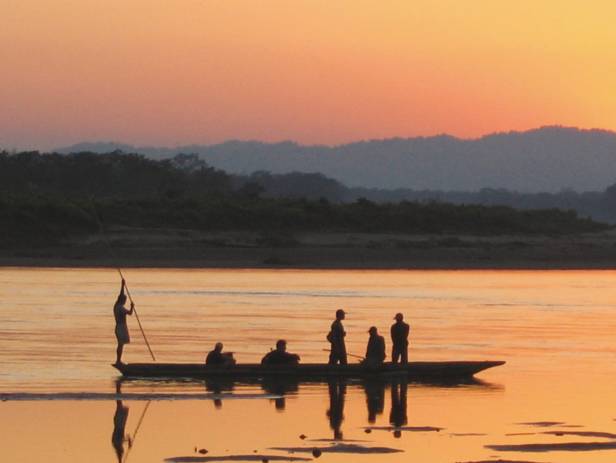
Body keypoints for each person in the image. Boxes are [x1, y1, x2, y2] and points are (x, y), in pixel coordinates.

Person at [114, 279, 134, 365]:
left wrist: (122, 285)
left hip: (119, 327)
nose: (125, 301)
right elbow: (130, 313)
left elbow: (120, 295)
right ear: (122, 300)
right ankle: (118, 360)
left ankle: (118, 360)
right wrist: (132, 307)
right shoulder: (120, 308)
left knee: (120, 344)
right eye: (125, 300)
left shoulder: (116, 305)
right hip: (121, 327)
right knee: (121, 344)